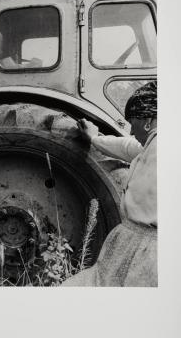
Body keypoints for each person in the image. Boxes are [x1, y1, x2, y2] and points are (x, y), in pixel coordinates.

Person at [63, 81, 157, 287]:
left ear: (148, 121)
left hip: (148, 254)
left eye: (133, 122)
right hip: (132, 246)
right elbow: (126, 146)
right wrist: (94, 139)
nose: (131, 130)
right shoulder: (151, 144)